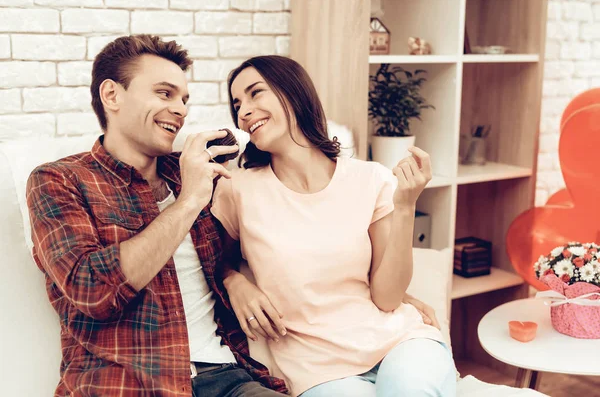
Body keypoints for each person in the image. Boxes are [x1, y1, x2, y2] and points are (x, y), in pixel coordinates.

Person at [26, 35, 288, 397]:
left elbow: (231, 255)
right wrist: (188, 201)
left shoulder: (189, 170)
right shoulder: (59, 180)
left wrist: (233, 279)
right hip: (126, 384)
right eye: (164, 94)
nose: (180, 110)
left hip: (226, 377)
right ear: (112, 95)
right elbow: (93, 291)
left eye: (183, 100)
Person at [210, 55, 457, 397]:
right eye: (237, 104)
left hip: (400, 343)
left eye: (255, 93)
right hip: (318, 370)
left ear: (293, 92)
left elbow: (387, 298)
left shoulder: (370, 179)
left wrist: (405, 207)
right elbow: (210, 260)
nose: (244, 112)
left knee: (408, 389)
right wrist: (234, 280)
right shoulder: (238, 189)